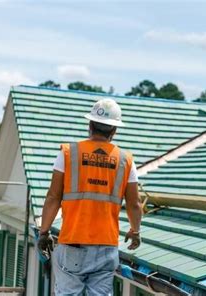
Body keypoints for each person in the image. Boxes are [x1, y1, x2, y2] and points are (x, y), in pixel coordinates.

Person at [37, 98, 142, 295]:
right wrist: (135, 231)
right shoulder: (126, 161)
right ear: (114, 130)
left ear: (90, 125)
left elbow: (53, 197)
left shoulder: (68, 153)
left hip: (73, 243)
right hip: (106, 247)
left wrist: (44, 233)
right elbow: (134, 204)